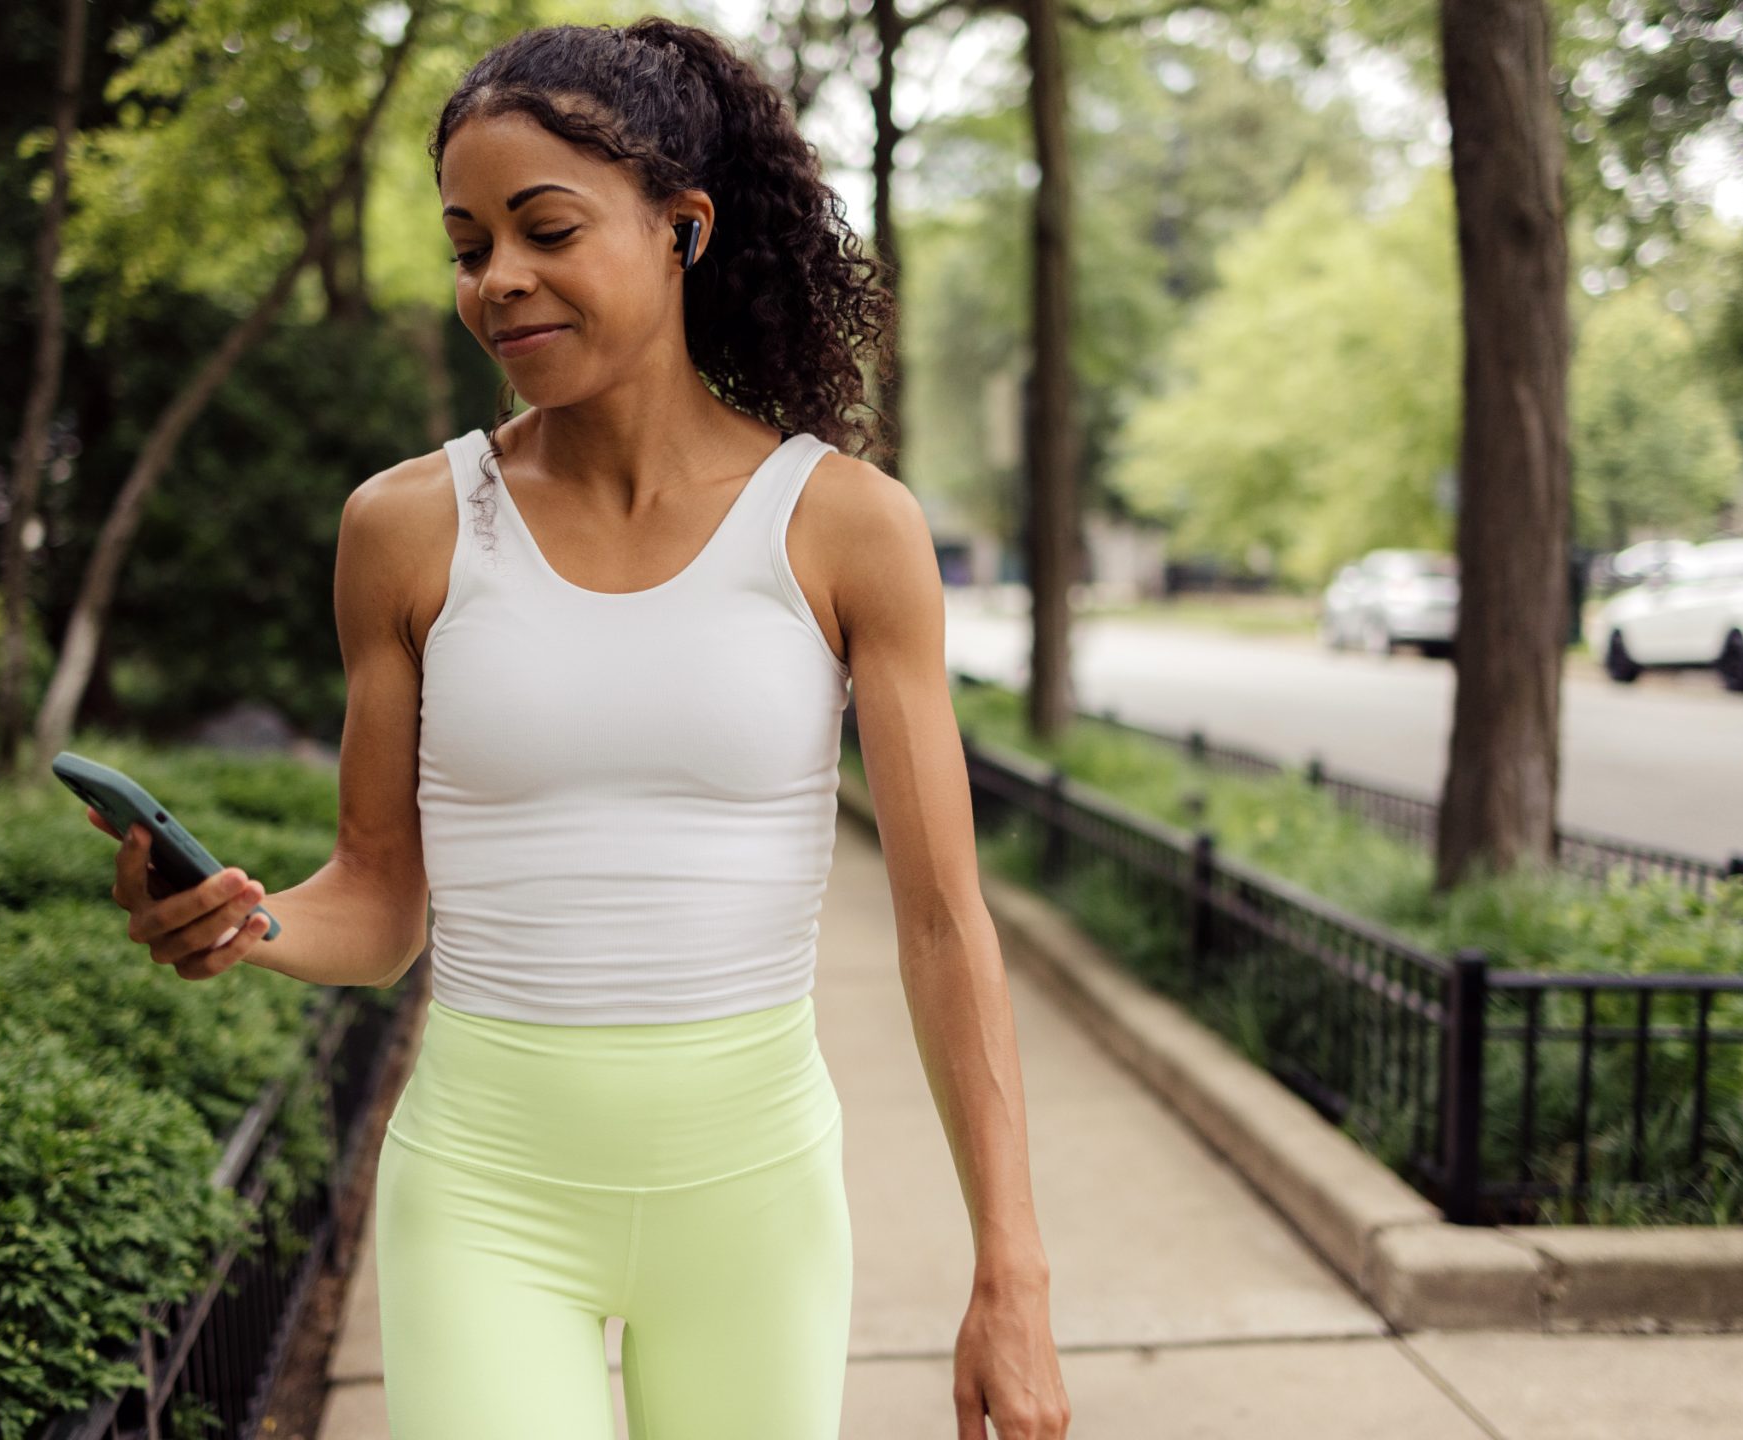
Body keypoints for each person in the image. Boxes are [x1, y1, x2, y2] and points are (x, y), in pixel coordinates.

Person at [95, 16, 1068, 1438]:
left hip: (753, 1198)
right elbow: (377, 900)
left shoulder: (845, 525)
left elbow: (942, 926)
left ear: (683, 228)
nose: (501, 280)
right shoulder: (409, 528)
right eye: (469, 243)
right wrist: (241, 922)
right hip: (486, 1191)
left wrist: (1015, 1275)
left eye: (546, 228)